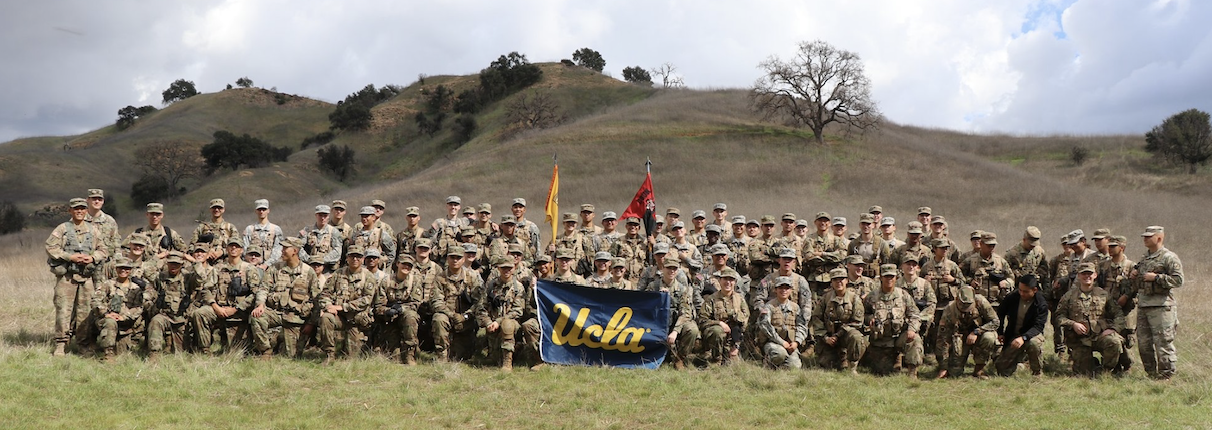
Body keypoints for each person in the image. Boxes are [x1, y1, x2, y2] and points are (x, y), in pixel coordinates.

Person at [45, 197, 107, 355]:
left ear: (86, 211)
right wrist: (69, 257)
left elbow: (103, 250)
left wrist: (92, 258)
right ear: (70, 211)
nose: (79, 211)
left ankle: (83, 344)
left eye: (82, 208)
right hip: (67, 277)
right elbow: (50, 247)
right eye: (76, 209)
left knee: (84, 313)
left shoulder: (93, 230)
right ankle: (61, 344)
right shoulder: (62, 229)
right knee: (63, 311)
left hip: (86, 279)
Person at [1124, 226, 1183, 380]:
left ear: (1159, 238)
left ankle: (1166, 376)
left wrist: (1157, 278)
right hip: (1144, 305)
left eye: (1149, 236)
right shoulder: (1145, 259)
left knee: (1163, 343)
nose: (1145, 239)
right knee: (1144, 343)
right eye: (1144, 236)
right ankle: (1150, 375)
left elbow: (1178, 280)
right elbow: (1140, 282)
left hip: (1162, 306)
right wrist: (1134, 275)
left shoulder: (1169, 257)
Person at [191, 238, 262, 354]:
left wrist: (235, 309)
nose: (233, 248)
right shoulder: (218, 269)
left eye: (237, 246)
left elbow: (255, 294)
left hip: (240, 311)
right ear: (227, 249)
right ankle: (205, 350)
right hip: (219, 309)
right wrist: (215, 306)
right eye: (231, 246)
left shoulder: (249, 269)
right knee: (200, 313)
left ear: (241, 250)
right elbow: (206, 290)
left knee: (238, 353)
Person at [251, 237, 319, 359]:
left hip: (296, 319)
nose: (282, 250)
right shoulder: (275, 268)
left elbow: (316, 300)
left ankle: (279, 341)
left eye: (285, 248)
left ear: (295, 251)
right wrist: (260, 304)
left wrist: (311, 323)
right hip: (276, 313)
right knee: (257, 317)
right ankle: (265, 352)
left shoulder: (308, 272)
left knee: (291, 357)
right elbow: (263, 288)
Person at [1055, 262, 1124, 376]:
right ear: (1078, 276)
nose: (1087, 276)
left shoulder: (1103, 295)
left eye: (1090, 273)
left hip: (1100, 336)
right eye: (1084, 274)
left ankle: (1106, 371)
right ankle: (1092, 365)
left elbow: (1119, 315)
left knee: (1114, 342)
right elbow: (1058, 316)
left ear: (1095, 275)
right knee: (1084, 373)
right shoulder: (1069, 296)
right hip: (1079, 340)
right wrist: (1073, 324)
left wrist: (1113, 329)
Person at [318, 246, 378, 364]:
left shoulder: (368, 276)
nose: (355, 259)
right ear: (347, 258)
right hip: (339, 317)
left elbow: (367, 299)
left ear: (363, 259)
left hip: (356, 320)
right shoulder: (338, 274)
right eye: (352, 256)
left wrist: (343, 307)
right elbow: (325, 293)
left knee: (351, 358)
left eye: (358, 256)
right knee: (326, 318)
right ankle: (329, 354)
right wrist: (328, 306)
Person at [864, 264, 922, 377]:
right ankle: (896, 358)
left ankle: (912, 373)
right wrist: (870, 319)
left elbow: (915, 314)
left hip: (899, 338)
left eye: (892, 276)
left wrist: (912, 329)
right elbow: (863, 314)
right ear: (881, 277)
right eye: (886, 276)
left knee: (915, 339)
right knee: (883, 372)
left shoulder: (903, 295)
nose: (889, 279)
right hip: (881, 341)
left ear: (896, 278)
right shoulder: (872, 296)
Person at [430, 249, 484, 362]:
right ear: (447, 259)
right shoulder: (440, 278)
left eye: (458, 258)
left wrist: (465, 316)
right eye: (452, 257)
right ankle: (442, 355)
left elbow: (479, 302)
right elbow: (436, 302)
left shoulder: (472, 277)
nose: (455, 260)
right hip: (448, 317)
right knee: (438, 319)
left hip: (467, 320)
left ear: (463, 259)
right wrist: (452, 315)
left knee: (461, 357)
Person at [372, 255, 427, 365]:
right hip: (389, 319)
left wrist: (402, 309)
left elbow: (416, 303)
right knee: (393, 357)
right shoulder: (386, 281)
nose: (406, 267)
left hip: (406, 316)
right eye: (404, 264)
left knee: (411, 316)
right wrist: (387, 311)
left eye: (409, 265)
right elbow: (378, 305)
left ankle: (409, 355)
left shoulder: (415, 281)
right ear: (397, 264)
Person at [145, 251, 200, 361]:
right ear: (167, 263)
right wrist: (159, 256)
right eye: (171, 263)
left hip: (181, 318)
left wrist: (192, 260)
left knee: (181, 353)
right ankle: (154, 355)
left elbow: (201, 277)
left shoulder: (188, 278)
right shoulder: (161, 277)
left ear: (181, 264)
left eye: (176, 264)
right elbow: (146, 270)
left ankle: (171, 342)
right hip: (164, 315)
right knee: (156, 321)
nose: (173, 266)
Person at [936, 286, 999, 379]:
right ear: (956, 299)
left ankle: (979, 370)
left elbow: (995, 322)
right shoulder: (949, 310)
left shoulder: (981, 302)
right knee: (954, 373)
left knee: (989, 338)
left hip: (980, 335)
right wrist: (943, 367)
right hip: (961, 338)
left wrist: (977, 332)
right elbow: (942, 339)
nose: (966, 308)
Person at [477, 259, 528, 371]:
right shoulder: (491, 286)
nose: (506, 271)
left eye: (509, 268)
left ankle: (507, 362)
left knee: (507, 324)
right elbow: (481, 308)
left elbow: (517, 311)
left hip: (512, 325)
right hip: (493, 327)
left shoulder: (518, 288)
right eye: (503, 268)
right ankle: (493, 354)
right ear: (499, 268)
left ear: (514, 269)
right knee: (494, 360)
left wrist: (498, 321)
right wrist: (488, 322)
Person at [812, 267, 866, 374]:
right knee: (828, 366)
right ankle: (841, 357)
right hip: (829, 338)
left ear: (847, 280)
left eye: (841, 279)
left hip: (845, 336)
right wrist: (825, 337)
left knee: (856, 337)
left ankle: (852, 368)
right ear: (831, 282)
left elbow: (858, 322)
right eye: (835, 279)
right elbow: (816, 319)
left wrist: (839, 334)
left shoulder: (854, 298)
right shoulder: (825, 298)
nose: (838, 282)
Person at [994, 274, 1048, 377]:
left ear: (1035, 290)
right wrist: (1000, 333)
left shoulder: (1041, 304)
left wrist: (1023, 338)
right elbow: (1000, 314)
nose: (1022, 293)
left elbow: (1038, 326)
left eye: (1026, 291)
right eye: (1020, 290)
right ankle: (1020, 364)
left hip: (1031, 335)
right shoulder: (1012, 297)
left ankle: (1037, 372)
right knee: (1001, 369)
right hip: (1013, 335)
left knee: (1034, 344)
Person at [90, 257, 144, 361]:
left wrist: (123, 317)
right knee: (110, 323)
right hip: (108, 320)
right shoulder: (107, 284)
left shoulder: (135, 288)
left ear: (131, 270)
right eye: (120, 268)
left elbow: (138, 308)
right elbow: (95, 301)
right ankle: (108, 355)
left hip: (126, 324)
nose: (123, 270)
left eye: (126, 268)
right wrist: (106, 313)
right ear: (116, 269)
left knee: (122, 354)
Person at [1099, 235, 1136, 372]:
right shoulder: (1103, 266)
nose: (1110, 249)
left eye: (1113, 246)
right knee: (1110, 338)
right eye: (1109, 246)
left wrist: (1127, 296)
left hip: (1125, 310)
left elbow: (1136, 286)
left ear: (1122, 248)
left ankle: (1126, 366)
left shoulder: (1131, 266)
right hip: (1107, 309)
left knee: (1126, 339)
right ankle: (1111, 366)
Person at [699, 267, 748, 365]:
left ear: (735, 282)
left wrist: (737, 345)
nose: (728, 282)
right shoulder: (711, 299)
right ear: (720, 281)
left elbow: (745, 321)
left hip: (733, 339)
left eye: (731, 280)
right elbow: (702, 320)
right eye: (725, 279)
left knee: (734, 367)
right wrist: (719, 323)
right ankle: (715, 360)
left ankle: (730, 354)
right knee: (717, 331)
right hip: (715, 337)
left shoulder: (740, 299)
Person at [757, 276, 807, 369]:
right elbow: (765, 326)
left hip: (790, 344)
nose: (784, 290)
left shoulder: (795, 308)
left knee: (795, 366)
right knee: (780, 354)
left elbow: (802, 326)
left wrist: (796, 342)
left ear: (791, 290)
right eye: (781, 287)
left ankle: (778, 367)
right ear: (776, 289)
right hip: (773, 343)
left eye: (787, 288)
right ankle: (768, 361)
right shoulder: (769, 306)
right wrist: (781, 342)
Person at [655, 258, 697, 370]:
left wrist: (675, 331)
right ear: (663, 269)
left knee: (692, 330)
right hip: (658, 323)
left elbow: (686, 313)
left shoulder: (683, 289)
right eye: (669, 268)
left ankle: (680, 359)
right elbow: (646, 309)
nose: (672, 271)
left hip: (675, 322)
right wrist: (659, 297)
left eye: (674, 268)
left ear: (678, 271)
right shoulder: (653, 287)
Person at [962, 232, 1013, 308]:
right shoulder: (971, 261)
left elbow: (1011, 278)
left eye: (993, 246)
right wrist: (970, 281)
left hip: (996, 304)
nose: (992, 248)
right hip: (977, 304)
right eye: (989, 246)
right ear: (981, 244)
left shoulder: (1000, 261)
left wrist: (1006, 282)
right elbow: (960, 276)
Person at [244, 199, 284, 266]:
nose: (261, 212)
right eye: (259, 210)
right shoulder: (249, 229)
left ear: (268, 211)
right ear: (256, 211)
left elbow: (278, 250)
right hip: (252, 266)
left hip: (271, 266)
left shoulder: (276, 229)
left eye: (264, 209)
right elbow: (245, 249)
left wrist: (267, 264)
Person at [84, 189, 121, 259]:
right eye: (94, 199)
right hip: (84, 260)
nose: (97, 201)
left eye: (99, 199)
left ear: (103, 201)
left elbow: (116, 241)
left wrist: (117, 258)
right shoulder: (80, 219)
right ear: (88, 200)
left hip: (105, 261)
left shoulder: (110, 221)